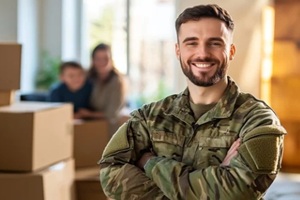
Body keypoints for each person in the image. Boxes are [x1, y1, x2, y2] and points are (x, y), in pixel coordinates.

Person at [99, 4, 286, 200]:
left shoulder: (259, 121)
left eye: (214, 43)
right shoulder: (150, 117)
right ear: (178, 50)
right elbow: (110, 173)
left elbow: (239, 192)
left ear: (230, 51)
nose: (202, 53)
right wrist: (216, 181)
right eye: (192, 43)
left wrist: (150, 163)